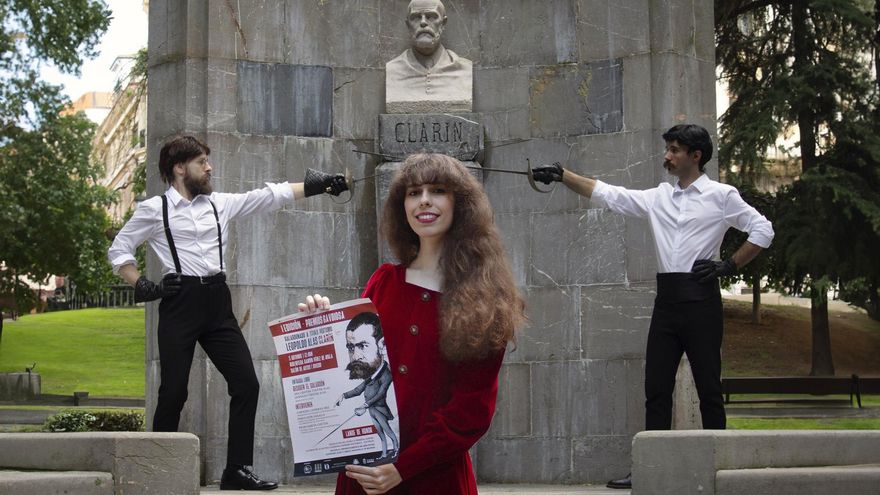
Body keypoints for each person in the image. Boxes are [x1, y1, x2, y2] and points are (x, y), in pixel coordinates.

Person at [532, 124, 774, 490]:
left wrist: (729, 266)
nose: (667, 156)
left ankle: (720, 465)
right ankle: (649, 468)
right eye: (668, 149)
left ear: (696, 155)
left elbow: (763, 230)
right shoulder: (659, 196)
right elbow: (610, 195)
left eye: (675, 150)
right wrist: (564, 176)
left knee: (708, 386)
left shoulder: (722, 196)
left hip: (702, 301)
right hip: (668, 302)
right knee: (656, 387)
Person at [108, 134, 347, 491]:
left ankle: (236, 470)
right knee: (174, 391)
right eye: (202, 162)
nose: (209, 167)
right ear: (179, 168)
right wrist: (144, 284)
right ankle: (155, 471)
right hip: (180, 303)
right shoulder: (153, 210)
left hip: (218, 303)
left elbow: (268, 197)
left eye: (208, 160)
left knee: (246, 383)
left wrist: (319, 185)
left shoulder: (219, 204)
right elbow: (119, 250)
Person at [299, 153, 525, 494]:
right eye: (413, 192)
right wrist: (323, 326)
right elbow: (356, 363)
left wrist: (402, 469)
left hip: (435, 478)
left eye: (437, 190)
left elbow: (470, 413)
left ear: (460, 203)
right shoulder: (385, 281)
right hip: (366, 473)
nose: (424, 201)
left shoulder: (485, 299)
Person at [385, 0, 473, 113]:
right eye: (416, 17)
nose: (423, 23)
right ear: (408, 25)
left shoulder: (463, 69)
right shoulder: (394, 69)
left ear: (443, 23)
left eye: (431, 17)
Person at [336, 311, 399, 460]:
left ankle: (395, 449)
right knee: (380, 433)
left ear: (382, 345)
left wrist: (365, 405)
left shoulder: (387, 374)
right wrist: (344, 395)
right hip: (371, 410)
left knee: (388, 431)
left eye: (363, 345)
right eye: (351, 348)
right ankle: (384, 453)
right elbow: (358, 390)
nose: (356, 356)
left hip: (379, 410)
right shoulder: (370, 375)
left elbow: (381, 394)